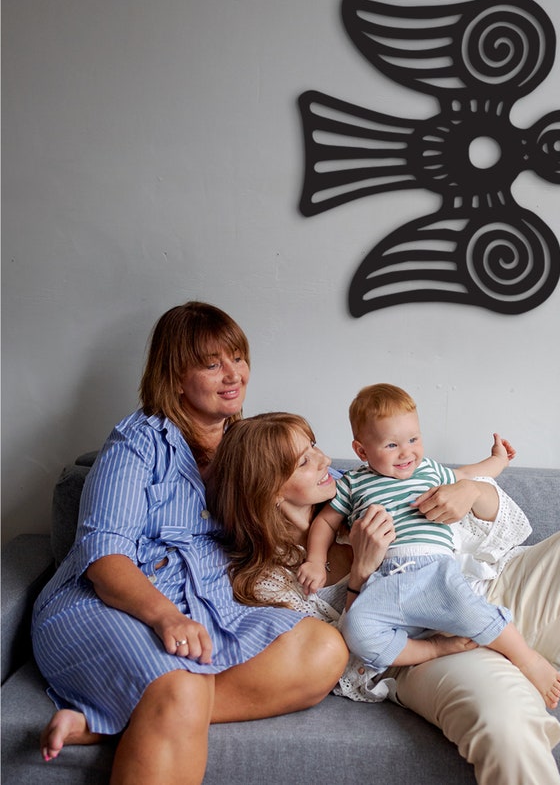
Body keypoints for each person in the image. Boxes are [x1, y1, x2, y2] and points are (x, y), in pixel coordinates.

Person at [207, 410, 560, 785]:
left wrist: (468, 494)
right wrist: (359, 575)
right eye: (302, 459)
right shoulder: (269, 580)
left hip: (497, 594)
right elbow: (353, 663)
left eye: (315, 447)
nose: (322, 459)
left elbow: (507, 525)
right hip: (434, 646)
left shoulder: (372, 487)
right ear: (267, 486)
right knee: (508, 721)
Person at [31, 302, 348, 785]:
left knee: (323, 649)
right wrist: (166, 617)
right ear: (175, 377)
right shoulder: (136, 444)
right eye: (211, 363)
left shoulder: (249, 441)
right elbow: (104, 557)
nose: (233, 374)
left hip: (207, 607)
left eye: (238, 357)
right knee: (180, 687)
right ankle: (156, 705)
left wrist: (459, 485)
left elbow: (328, 481)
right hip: (113, 602)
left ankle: (104, 724)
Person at [297, 383, 560, 708]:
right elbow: (325, 522)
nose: (406, 452)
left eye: (413, 439)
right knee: (356, 629)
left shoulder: (429, 471)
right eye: (392, 444)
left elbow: (471, 475)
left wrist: (497, 460)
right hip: (384, 581)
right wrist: (314, 560)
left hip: (435, 571)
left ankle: (527, 659)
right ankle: (436, 648)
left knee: (474, 611)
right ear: (362, 451)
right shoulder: (353, 483)